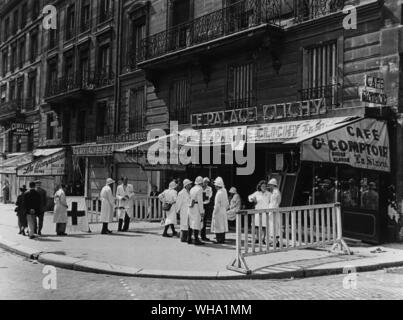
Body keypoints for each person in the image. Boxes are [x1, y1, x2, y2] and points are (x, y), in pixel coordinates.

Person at [211, 177, 229, 244]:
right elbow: (227, 202)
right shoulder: (224, 191)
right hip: (223, 210)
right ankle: (222, 239)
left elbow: (217, 204)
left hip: (219, 210)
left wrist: (215, 213)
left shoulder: (219, 193)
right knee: (223, 225)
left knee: (218, 225)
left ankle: (218, 239)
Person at [188, 176, 205, 245]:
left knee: (191, 222)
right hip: (197, 206)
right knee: (196, 223)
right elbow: (200, 201)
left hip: (191, 206)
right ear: (201, 183)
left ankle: (189, 238)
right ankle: (196, 239)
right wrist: (202, 211)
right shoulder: (200, 189)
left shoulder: (192, 188)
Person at [268, 178, 282, 247]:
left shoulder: (276, 192)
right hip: (272, 210)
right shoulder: (274, 192)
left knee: (274, 226)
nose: (269, 186)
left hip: (274, 210)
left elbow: (276, 202)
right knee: (272, 226)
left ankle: (276, 241)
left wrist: (272, 210)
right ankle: (274, 241)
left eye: (270, 185)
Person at [201, 177, 213, 242]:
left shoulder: (209, 188)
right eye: (205, 182)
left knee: (204, 221)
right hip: (200, 205)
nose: (206, 183)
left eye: (207, 182)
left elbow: (209, 196)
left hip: (206, 205)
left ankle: (203, 235)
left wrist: (204, 197)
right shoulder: (200, 188)